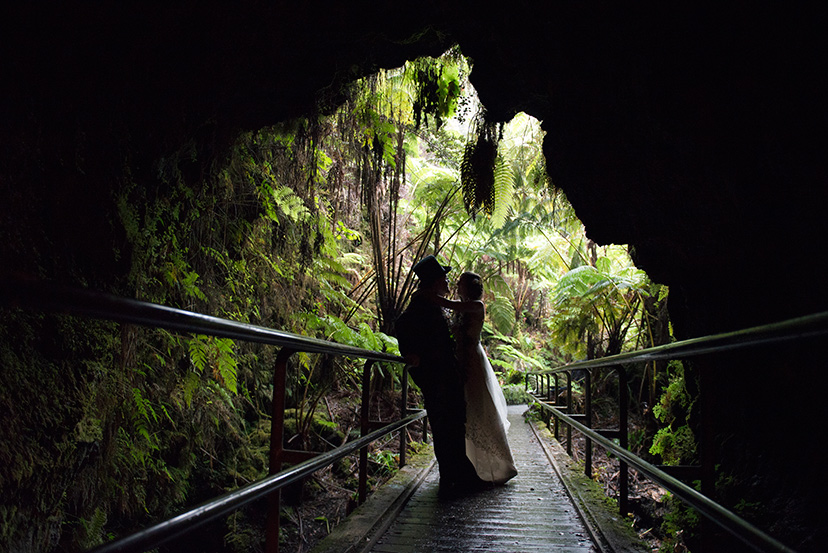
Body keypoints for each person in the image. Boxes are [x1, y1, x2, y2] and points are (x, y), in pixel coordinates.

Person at [395, 255, 487, 498]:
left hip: (445, 375)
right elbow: (401, 326)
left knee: (452, 425)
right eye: (444, 278)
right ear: (435, 282)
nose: (448, 282)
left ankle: (456, 476)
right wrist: (413, 355)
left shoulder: (431, 302)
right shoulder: (421, 304)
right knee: (446, 425)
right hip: (437, 377)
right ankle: (454, 478)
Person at [437, 271, 518, 484]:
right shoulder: (463, 307)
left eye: (461, 283)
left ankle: (498, 466)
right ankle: (469, 465)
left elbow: (451, 305)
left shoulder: (477, 306)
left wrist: (428, 296)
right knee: (465, 412)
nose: (457, 285)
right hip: (461, 359)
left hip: (472, 360)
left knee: (478, 408)